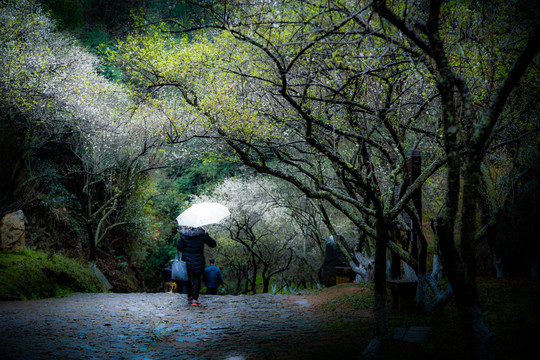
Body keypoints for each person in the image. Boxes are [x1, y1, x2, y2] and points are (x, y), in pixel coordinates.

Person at [176, 227, 216, 306]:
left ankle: (190, 296)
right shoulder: (202, 235)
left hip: (186, 261)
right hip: (198, 260)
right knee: (196, 278)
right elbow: (213, 244)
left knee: (187, 278)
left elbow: (179, 248)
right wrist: (206, 234)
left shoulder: (183, 235)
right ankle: (195, 299)